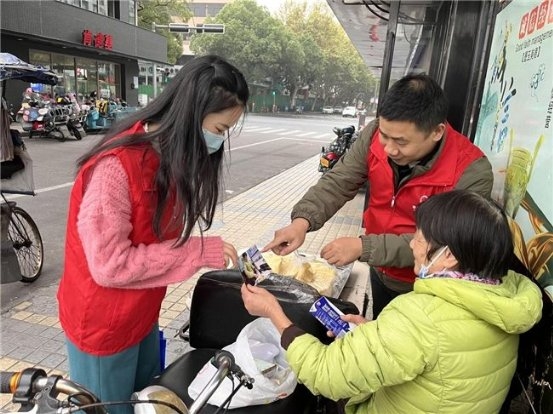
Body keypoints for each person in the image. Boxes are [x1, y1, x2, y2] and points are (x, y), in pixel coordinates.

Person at [57, 55, 249, 413]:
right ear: (190, 113)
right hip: (103, 327)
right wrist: (196, 252)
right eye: (219, 129)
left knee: (145, 404)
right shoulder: (115, 167)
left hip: (142, 314)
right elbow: (110, 265)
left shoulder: (168, 158)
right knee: (108, 408)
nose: (219, 141)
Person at [242, 190, 543, 414]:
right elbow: (443, 354)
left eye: (419, 238)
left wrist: (274, 313)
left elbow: (324, 374)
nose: (412, 245)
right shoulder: (504, 299)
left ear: (448, 255)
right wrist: (377, 333)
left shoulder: (420, 317)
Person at [264, 73, 493, 318]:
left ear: (436, 131)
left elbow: (444, 243)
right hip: (381, 272)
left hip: (430, 289)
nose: (389, 149)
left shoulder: (471, 171)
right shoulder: (374, 134)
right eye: (385, 136)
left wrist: (364, 247)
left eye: (401, 142)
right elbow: (340, 180)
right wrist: (301, 222)